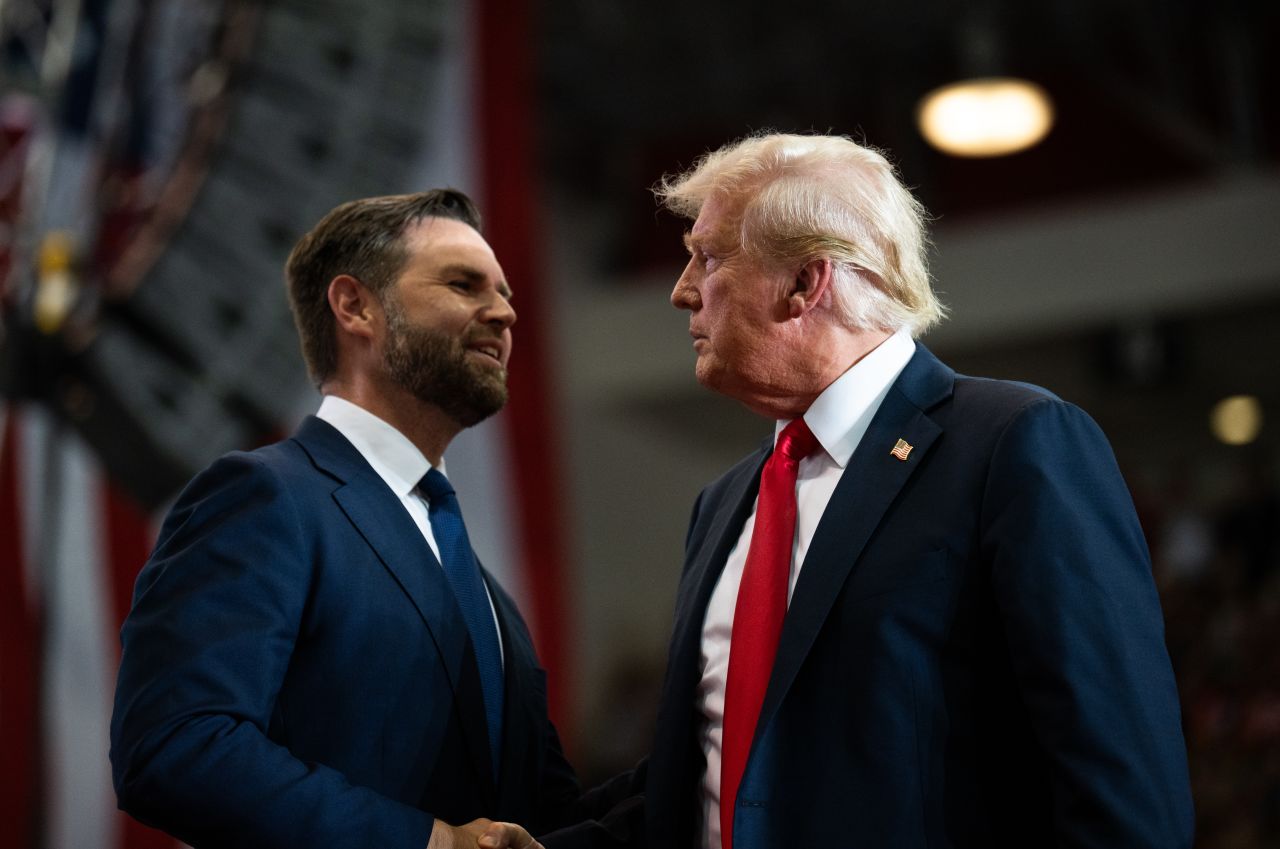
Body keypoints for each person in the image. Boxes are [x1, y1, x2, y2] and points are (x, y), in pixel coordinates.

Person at [495, 133, 1197, 849]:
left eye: (707, 257)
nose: (681, 290)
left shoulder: (1013, 444)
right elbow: (719, 775)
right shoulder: (724, 502)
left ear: (806, 282)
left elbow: (1119, 779)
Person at [111, 189, 579, 849]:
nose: (504, 311)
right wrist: (428, 841)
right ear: (355, 305)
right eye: (463, 283)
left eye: (503, 291)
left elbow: (542, 814)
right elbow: (176, 743)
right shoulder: (264, 498)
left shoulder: (486, 593)